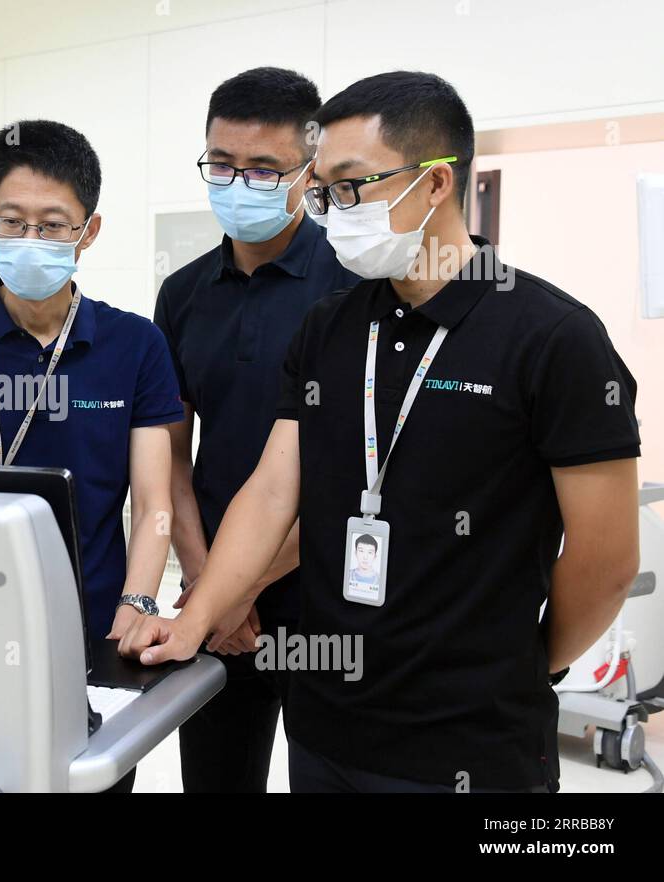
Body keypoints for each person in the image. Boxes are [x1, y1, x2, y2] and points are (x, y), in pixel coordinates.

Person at [121, 71, 641, 794]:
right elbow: (273, 492)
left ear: (434, 185)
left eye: (351, 184)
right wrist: (198, 613)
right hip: (330, 727)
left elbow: (607, 558)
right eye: (325, 190)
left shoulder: (553, 338)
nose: (332, 210)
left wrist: (528, 663)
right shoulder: (331, 327)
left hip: (472, 743)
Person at [0, 120, 183, 792]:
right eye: (12, 221)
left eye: (53, 225)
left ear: (88, 231)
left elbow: (154, 502)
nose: (30, 240)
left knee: (87, 777)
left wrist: (139, 598)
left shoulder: (136, 345)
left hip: (92, 622)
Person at [154, 67, 358, 793]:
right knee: (215, 778)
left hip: (324, 588)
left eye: (265, 169)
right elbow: (169, 461)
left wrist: (244, 587)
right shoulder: (181, 295)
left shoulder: (354, 283)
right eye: (222, 165)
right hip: (208, 583)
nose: (238, 184)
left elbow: (361, 471)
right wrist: (211, 583)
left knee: (326, 778)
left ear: (309, 171)